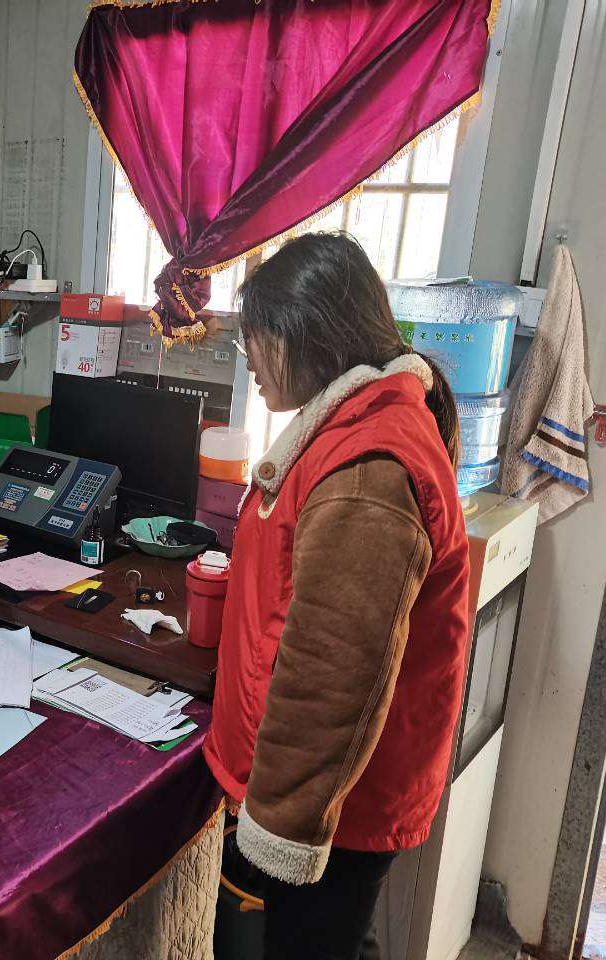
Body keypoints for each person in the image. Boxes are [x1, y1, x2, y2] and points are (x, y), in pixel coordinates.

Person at [204, 233, 471, 959]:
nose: (249, 358)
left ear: (305, 335)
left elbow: (331, 676)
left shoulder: (368, 468)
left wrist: (280, 826)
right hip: (321, 791)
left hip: (326, 809)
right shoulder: (345, 429)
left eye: (256, 338)